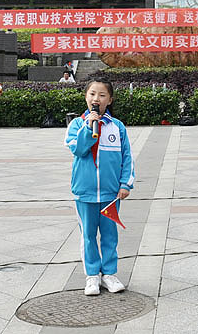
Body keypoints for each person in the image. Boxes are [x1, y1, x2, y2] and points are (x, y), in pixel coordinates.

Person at [64, 78, 135, 296]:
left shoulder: (117, 127)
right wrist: (89, 127)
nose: (97, 99)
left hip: (110, 194)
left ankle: (109, 274)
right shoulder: (77, 125)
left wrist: (125, 184)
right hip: (84, 192)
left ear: (110, 100)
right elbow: (79, 149)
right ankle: (92, 276)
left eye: (102, 95)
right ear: (86, 97)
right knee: (88, 235)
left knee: (109, 235)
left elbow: (127, 157)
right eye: (92, 94)